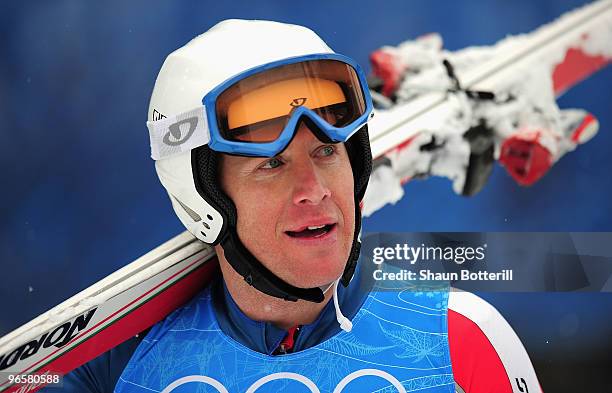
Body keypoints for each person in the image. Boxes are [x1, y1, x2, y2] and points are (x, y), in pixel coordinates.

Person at [52, 19, 543, 393]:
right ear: (205, 196)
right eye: (271, 164)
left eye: (326, 152)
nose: (315, 189)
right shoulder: (116, 368)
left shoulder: (457, 339)